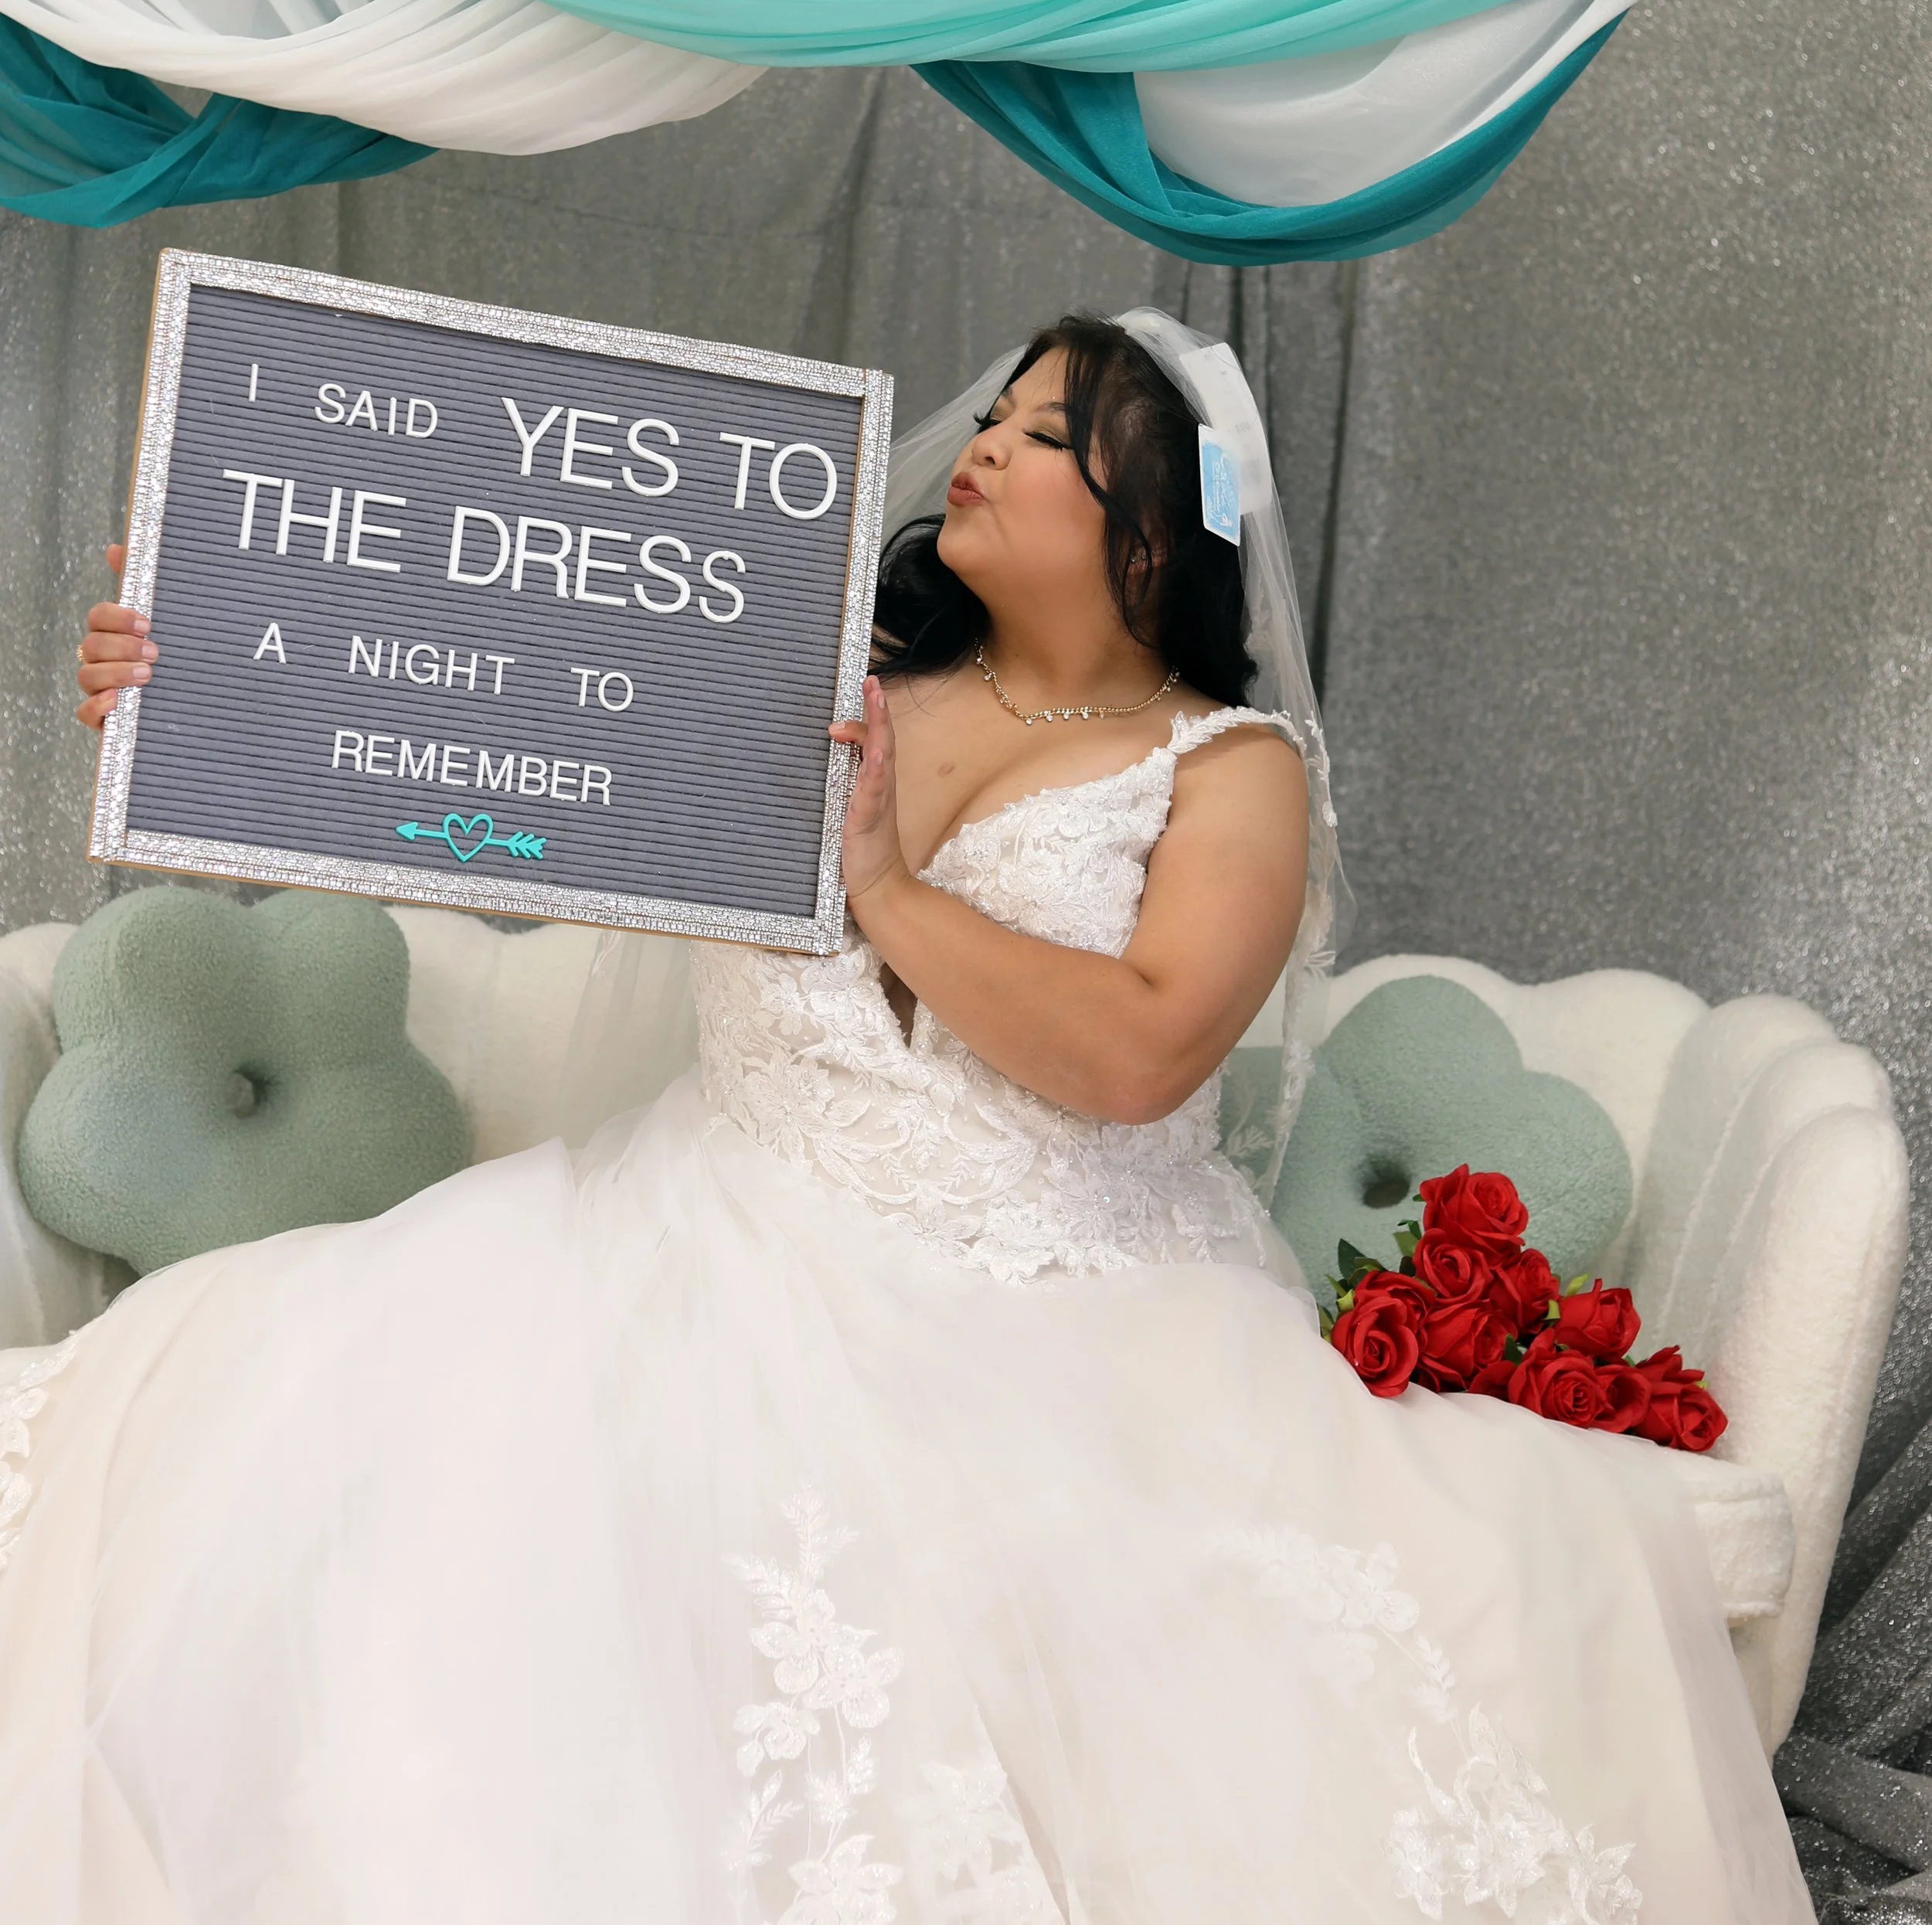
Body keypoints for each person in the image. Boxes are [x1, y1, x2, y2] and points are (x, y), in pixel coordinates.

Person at [15, 310, 1806, 1923]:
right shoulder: (811, 673)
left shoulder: (1225, 768)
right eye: (999, 414)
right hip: (692, 1232)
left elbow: (1139, 1051)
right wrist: (217, 685)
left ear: (1148, 533)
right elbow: (512, 765)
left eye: (1047, 435)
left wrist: (877, 887)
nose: (986, 443)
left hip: (1067, 1316)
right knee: (298, 1423)